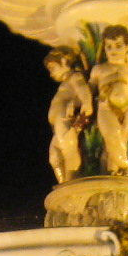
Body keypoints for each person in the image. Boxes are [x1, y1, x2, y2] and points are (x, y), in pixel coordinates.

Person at [88, 25, 128, 176]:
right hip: (106, 106)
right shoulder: (99, 69)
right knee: (112, 135)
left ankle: (112, 171)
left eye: (118, 46)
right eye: (109, 47)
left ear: (127, 47)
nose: (113, 51)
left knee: (121, 139)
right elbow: (91, 89)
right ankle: (126, 169)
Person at [44, 47, 92, 181]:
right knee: (54, 156)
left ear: (64, 62)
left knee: (68, 149)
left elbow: (83, 90)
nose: (51, 73)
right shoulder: (66, 82)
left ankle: (73, 179)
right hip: (58, 122)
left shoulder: (75, 77)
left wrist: (86, 103)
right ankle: (63, 183)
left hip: (64, 119)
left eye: (52, 68)